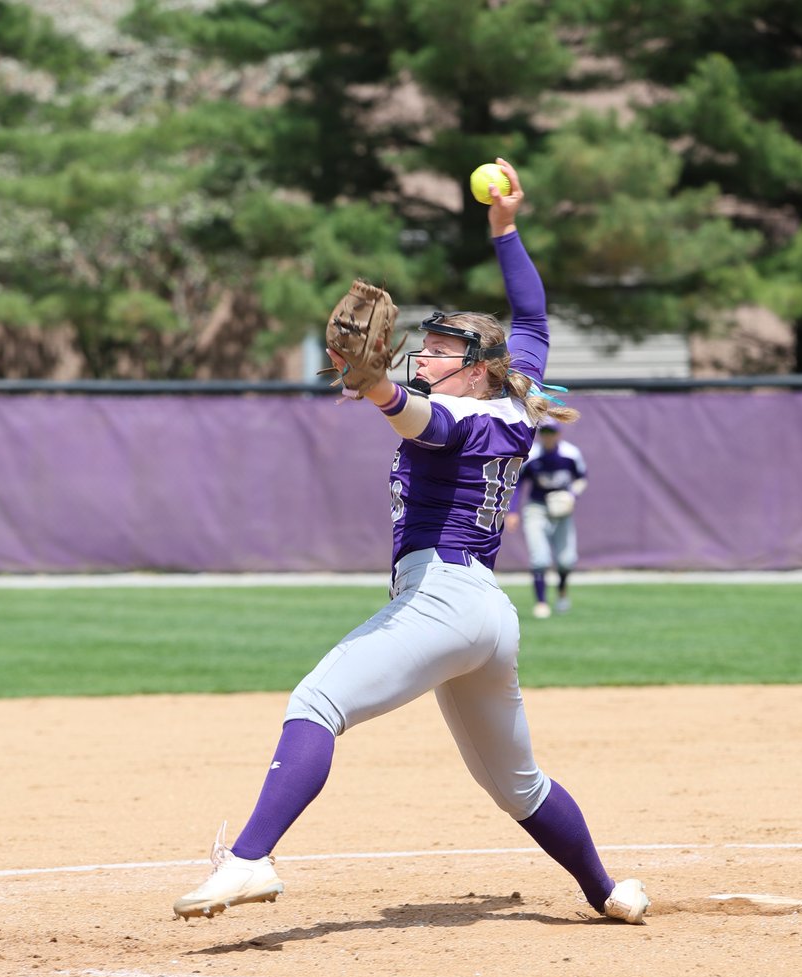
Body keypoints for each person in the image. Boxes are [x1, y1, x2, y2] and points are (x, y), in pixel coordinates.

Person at [172, 158, 650, 927]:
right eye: (420, 346)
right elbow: (531, 318)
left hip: (440, 601)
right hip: (485, 616)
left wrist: (373, 385)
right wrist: (505, 228)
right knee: (518, 786)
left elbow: (412, 416)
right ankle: (608, 892)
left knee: (317, 702)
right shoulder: (515, 400)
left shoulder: (454, 417)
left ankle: (251, 859)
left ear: (475, 370)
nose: (420, 355)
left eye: (436, 351)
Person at [505, 416, 588, 618]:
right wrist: (513, 511)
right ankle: (541, 602)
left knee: (566, 560)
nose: (548, 437)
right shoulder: (533, 455)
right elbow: (518, 484)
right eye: (545, 433)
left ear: (558, 434)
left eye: (552, 433)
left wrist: (571, 495)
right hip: (537, 507)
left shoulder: (570, 454)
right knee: (540, 558)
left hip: (562, 509)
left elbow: (581, 478)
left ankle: (561, 593)